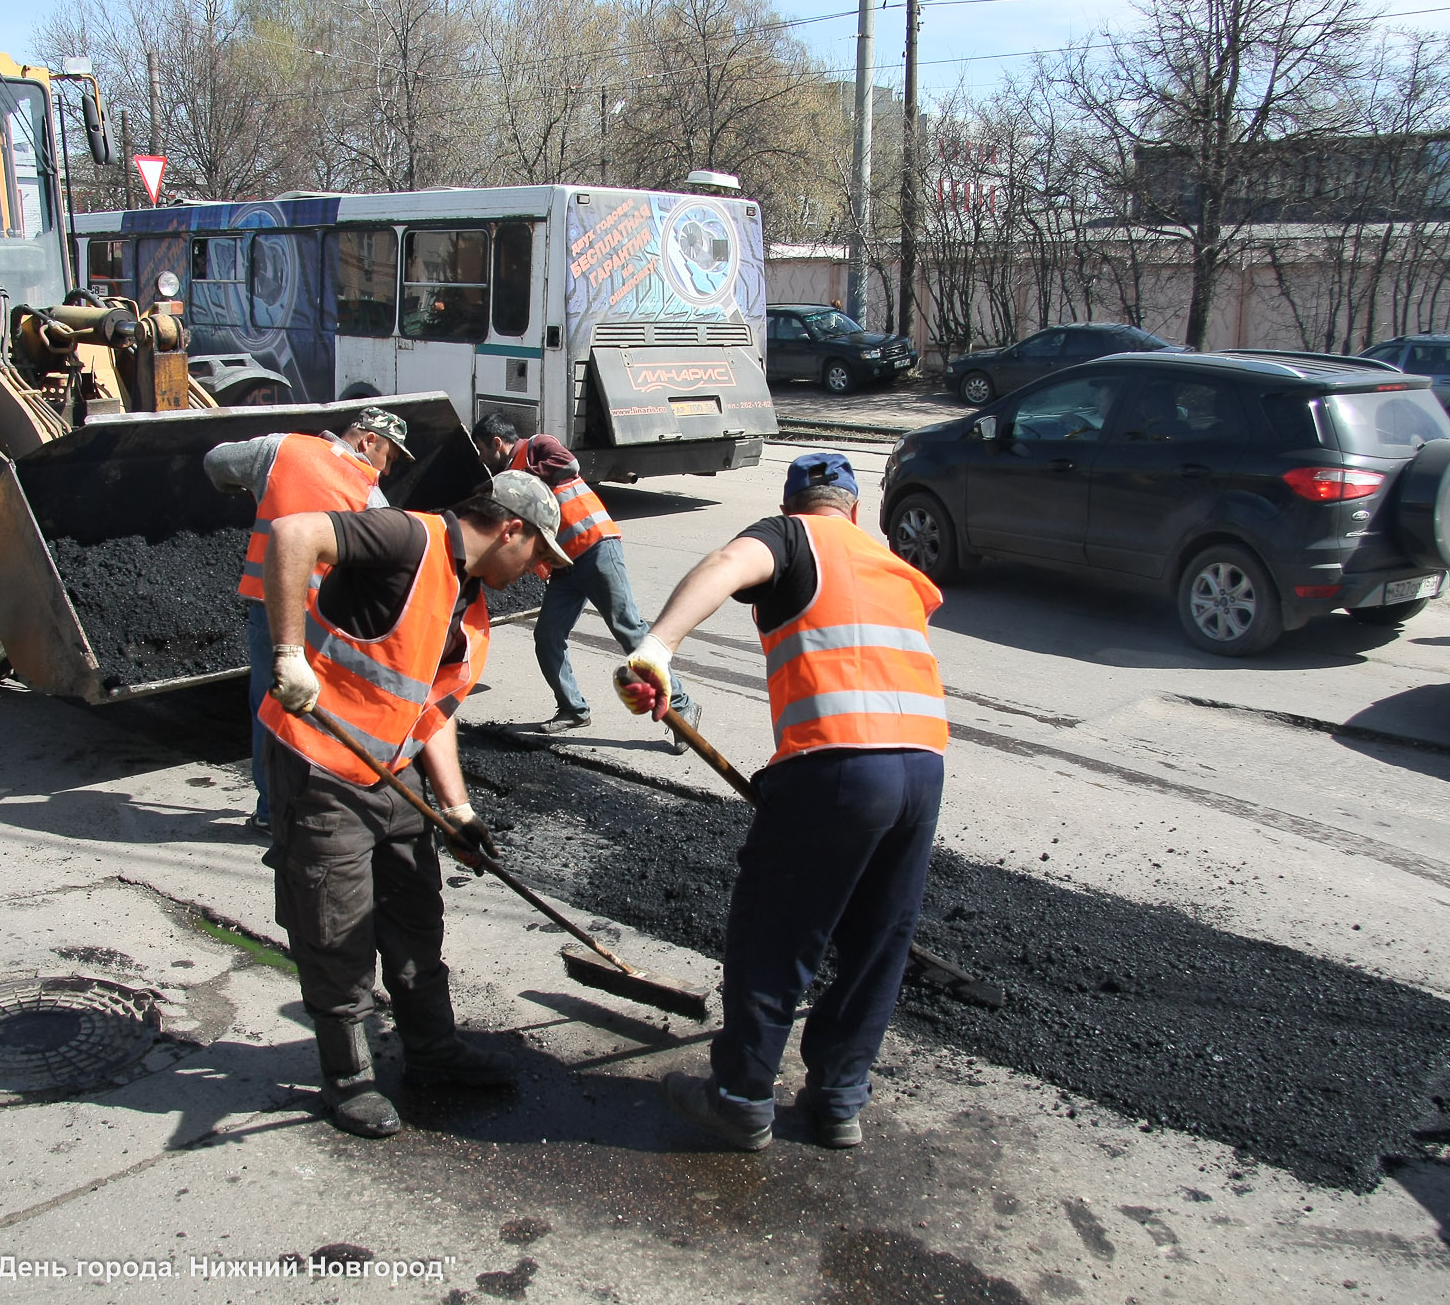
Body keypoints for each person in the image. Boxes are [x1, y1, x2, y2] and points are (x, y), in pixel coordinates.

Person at [614, 452, 947, 1151]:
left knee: (775, 934)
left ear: (794, 503)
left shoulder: (791, 536)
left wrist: (656, 648)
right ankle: (837, 1099)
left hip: (836, 763)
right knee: (875, 942)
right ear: (855, 507)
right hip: (921, 769)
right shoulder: (894, 567)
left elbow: (727, 563)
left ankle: (739, 1096)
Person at [260, 470, 572, 1138]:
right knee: (334, 928)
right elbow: (293, 532)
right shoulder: (408, 536)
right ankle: (348, 1081)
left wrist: (456, 808)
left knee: (414, 916)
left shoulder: (472, 604)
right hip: (322, 769)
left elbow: (431, 711)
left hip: (393, 774)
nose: (541, 569)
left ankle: (432, 1051)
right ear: (509, 528)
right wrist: (288, 653)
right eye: (539, 554)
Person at [204, 409, 412, 834]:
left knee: (270, 704)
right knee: (319, 709)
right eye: (388, 457)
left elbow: (216, 462)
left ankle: (270, 809)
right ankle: (315, 803)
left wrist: (237, 489)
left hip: (270, 606)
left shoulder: (279, 449)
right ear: (368, 441)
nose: (386, 470)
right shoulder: (370, 496)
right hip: (327, 615)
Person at [470, 412, 700, 749]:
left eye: (481, 450)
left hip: (595, 546)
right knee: (547, 635)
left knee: (628, 630)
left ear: (496, 443)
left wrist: (518, 478)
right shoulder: (506, 478)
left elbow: (568, 464)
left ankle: (682, 708)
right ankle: (573, 708)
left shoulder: (537, 446)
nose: (481, 459)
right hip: (565, 567)